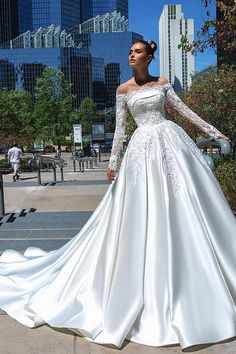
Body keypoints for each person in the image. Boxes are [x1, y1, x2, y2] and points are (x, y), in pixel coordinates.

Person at [0, 40, 235, 351]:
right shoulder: (123, 90)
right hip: (141, 153)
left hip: (172, 145)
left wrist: (214, 132)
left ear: (150, 57)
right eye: (130, 52)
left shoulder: (163, 83)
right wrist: (113, 163)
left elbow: (184, 111)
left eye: (138, 51)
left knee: (185, 201)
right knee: (141, 210)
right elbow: (121, 129)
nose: (131, 55)